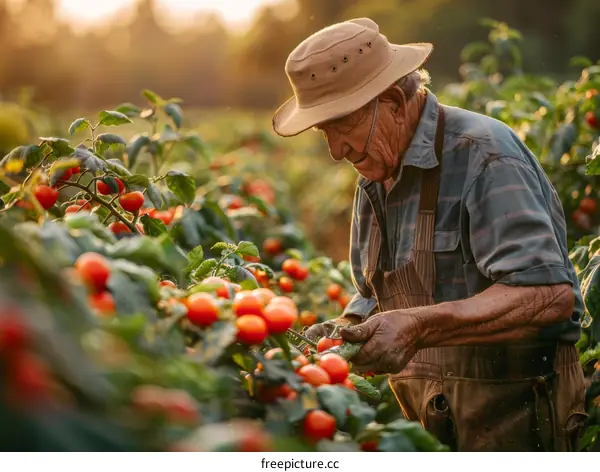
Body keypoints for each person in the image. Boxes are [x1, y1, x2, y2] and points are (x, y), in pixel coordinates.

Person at [271, 18, 587, 452]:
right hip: (432, 426)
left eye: (342, 125)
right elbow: (375, 294)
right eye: (325, 132)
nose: (335, 151)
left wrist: (418, 327)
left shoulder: (484, 158)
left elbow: (548, 296)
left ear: (395, 103)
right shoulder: (376, 176)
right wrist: (345, 330)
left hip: (520, 417)